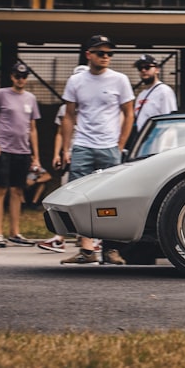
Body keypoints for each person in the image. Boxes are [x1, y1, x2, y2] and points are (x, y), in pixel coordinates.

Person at [58, 35, 135, 265]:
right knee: (78, 198)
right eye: (101, 53)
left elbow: (129, 114)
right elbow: (69, 116)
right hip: (82, 145)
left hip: (109, 147)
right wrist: (66, 148)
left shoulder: (120, 80)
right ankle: (86, 249)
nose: (106, 57)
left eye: (109, 54)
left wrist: (120, 145)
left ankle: (111, 249)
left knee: (111, 198)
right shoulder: (76, 81)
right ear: (88, 54)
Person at [0, 61, 40, 247]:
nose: (20, 80)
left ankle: (15, 232)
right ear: (12, 76)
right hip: (4, 150)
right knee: (1, 190)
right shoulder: (2, 94)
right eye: (17, 76)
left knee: (17, 191)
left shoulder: (30, 98)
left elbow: (32, 128)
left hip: (22, 151)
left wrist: (35, 155)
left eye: (24, 77)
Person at [37, 66, 88, 252]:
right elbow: (60, 132)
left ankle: (93, 240)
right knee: (67, 195)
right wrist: (60, 152)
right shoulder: (65, 108)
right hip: (72, 153)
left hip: (89, 151)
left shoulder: (95, 103)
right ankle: (60, 237)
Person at [132, 54, 177, 132]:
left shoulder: (164, 91)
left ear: (157, 69)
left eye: (147, 67)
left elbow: (170, 122)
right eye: (140, 68)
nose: (143, 70)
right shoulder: (141, 95)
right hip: (145, 140)